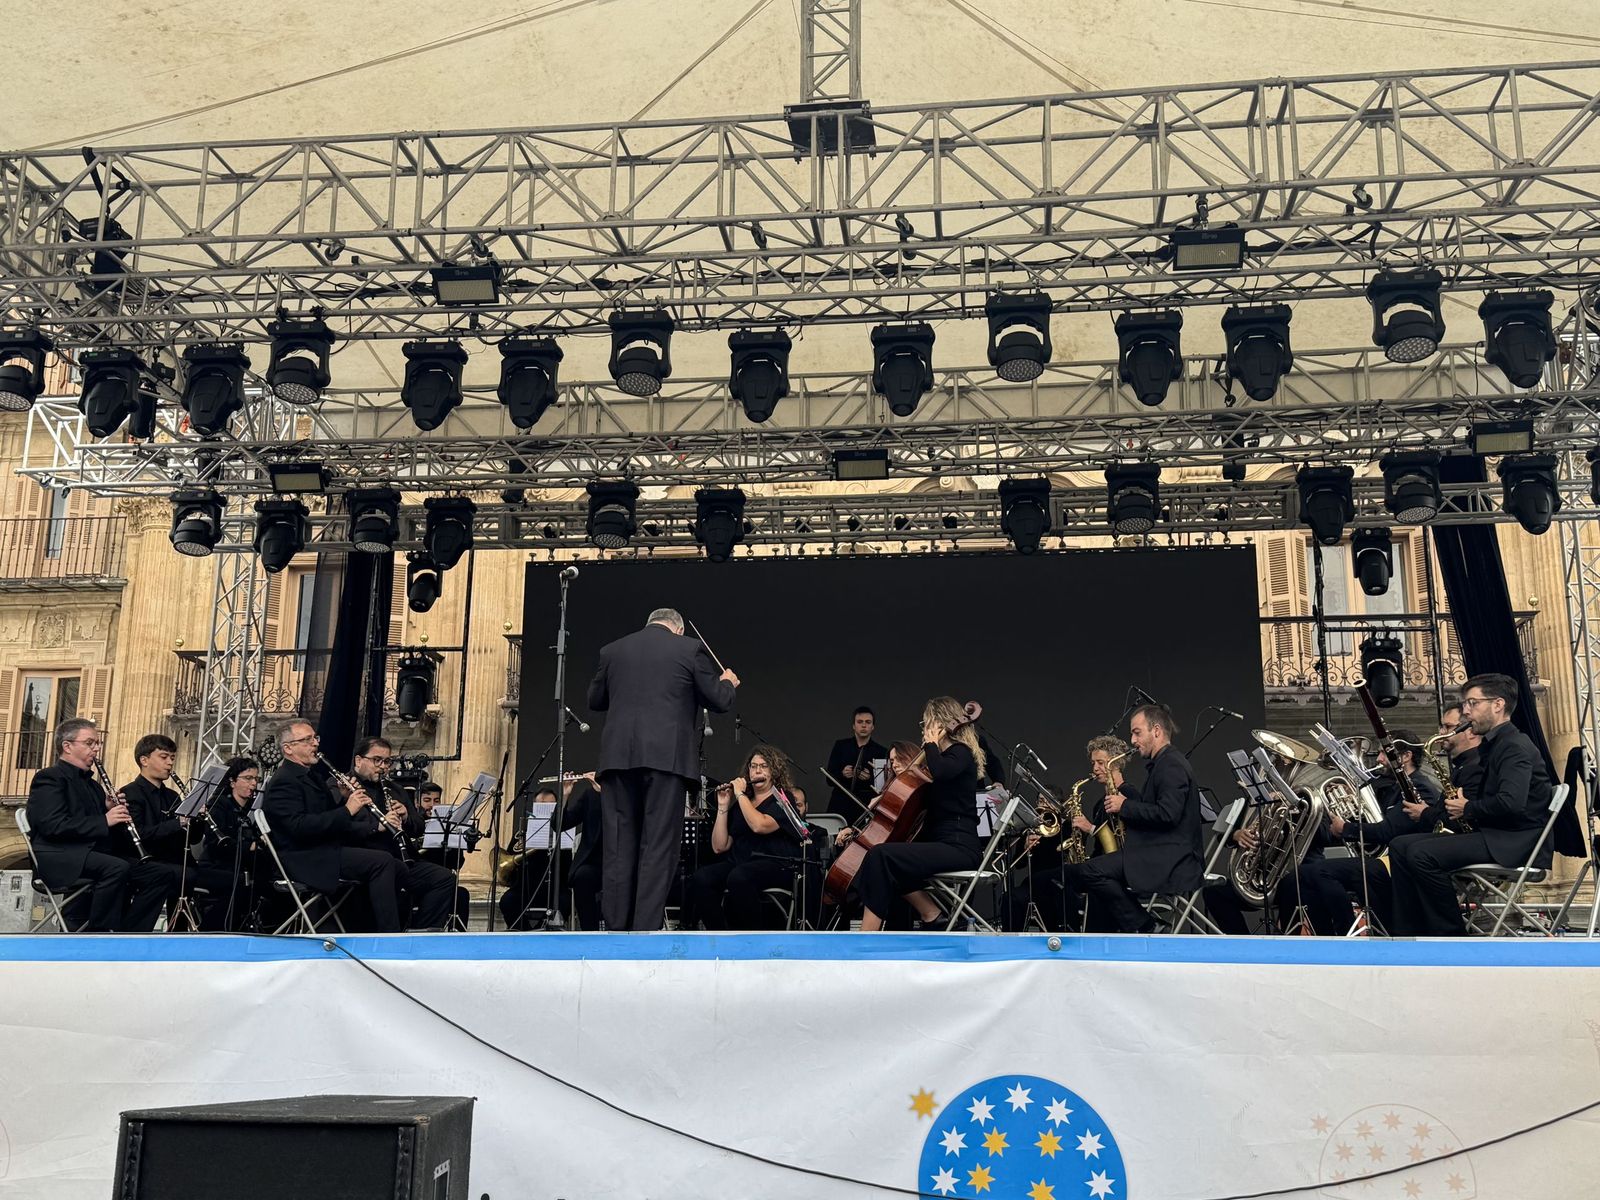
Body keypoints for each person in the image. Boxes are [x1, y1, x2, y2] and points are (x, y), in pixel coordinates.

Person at [587, 607, 739, 931]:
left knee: (618, 845)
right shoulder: (689, 649)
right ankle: (644, 929)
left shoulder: (613, 650)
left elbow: (595, 699)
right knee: (657, 846)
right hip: (666, 761)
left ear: (650, 624)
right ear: (678, 629)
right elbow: (719, 701)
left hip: (617, 760)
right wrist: (727, 682)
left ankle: (615, 927)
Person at [1388, 674, 1554, 936]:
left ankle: (1450, 935)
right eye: (1466, 704)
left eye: (1472, 703)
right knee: (1400, 845)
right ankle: (1407, 930)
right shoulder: (1497, 745)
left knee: (1422, 854)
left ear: (1498, 704)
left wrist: (1467, 808)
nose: (1466, 711)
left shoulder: (1514, 746)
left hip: (1514, 842)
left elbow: (1511, 802)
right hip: (1498, 835)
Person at [1285, 729, 1443, 936]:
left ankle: (1344, 933)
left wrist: (1346, 828)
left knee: (1319, 871)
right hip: (1380, 861)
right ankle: (1324, 936)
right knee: (1301, 876)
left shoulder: (1419, 788)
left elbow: (1388, 831)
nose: (1378, 759)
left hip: (1396, 865)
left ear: (1406, 756)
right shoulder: (1390, 787)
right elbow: (1375, 824)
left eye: (1384, 753)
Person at [24, 718, 176, 932]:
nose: (96, 748)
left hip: (90, 853)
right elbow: (52, 825)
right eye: (89, 743)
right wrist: (105, 819)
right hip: (59, 856)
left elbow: (97, 826)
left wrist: (108, 809)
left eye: (97, 743)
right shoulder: (50, 778)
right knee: (117, 867)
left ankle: (130, 934)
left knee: (160, 873)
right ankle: (101, 933)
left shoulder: (94, 786)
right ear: (67, 746)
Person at [1065, 704, 1203, 933]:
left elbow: (1168, 814)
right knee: (1092, 870)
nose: (1133, 740)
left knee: (1091, 871)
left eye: (1137, 732)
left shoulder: (1170, 765)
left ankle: (1145, 924)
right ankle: (1127, 930)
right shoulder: (1164, 763)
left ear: (1156, 731)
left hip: (1174, 860)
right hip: (1161, 853)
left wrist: (1125, 805)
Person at [259, 720, 405, 932]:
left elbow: (325, 816)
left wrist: (343, 800)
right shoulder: (284, 781)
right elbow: (299, 827)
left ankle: (381, 926)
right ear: (288, 748)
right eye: (306, 740)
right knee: (381, 862)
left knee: (398, 866)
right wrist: (349, 809)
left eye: (315, 738)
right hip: (304, 858)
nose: (315, 744)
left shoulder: (311, 776)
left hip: (323, 850)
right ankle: (387, 936)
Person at [853, 697, 984, 932]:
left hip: (959, 846)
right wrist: (886, 798)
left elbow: (942, 772)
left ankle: (867, 936)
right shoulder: (939, 760)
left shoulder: (960, 753)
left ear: (941, 723)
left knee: (881, 856)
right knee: (884, 858)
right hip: (940, 842)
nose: (924, 730)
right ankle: (931, 914)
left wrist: (931, 745)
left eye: (927, 723)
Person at [688, 746, 809, 929]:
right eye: (753, 766)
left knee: (740, 877)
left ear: (774, 772)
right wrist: (723, 806)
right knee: (702, 878)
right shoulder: (742, 803)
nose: (757, 771)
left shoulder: (784, 800)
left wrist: (739, 794)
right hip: (741, 862)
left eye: (763, 766)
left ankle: (753, 936)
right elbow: (720, 846)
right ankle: (721, 934)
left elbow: (759, 825)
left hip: (775, 863)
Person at [348, 737, 456, 929]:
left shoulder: (395, 789)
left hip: (402, 859)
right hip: (368, 859)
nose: (383, 767)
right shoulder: (344, 787)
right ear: (358, 760)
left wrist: (406, 816)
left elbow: (419, 827)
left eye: (387, 761)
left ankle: (423, 933)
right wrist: (380, 824)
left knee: (444, 878)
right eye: (377, 760)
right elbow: (343, 825)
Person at [197, 757, 261, 931]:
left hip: (240, 866)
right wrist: (250, 846)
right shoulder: (218, 806)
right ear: (232, 781)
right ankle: (212, 929)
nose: (253, 783)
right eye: (248, 778)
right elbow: (215, 844)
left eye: (256, 779)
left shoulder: (252, 809)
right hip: (214, 867)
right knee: (241, 883)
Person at [824, 707, 887, 817]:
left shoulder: (881, 751)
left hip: (866, 805)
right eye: (860, 722)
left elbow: (883, 786)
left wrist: (869, 778)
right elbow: (829, 779)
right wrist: (842, 774)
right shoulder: (840, 746)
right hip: (840, 803)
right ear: (854, 726)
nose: (864, 725)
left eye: (868, 722)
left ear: (873, 727)